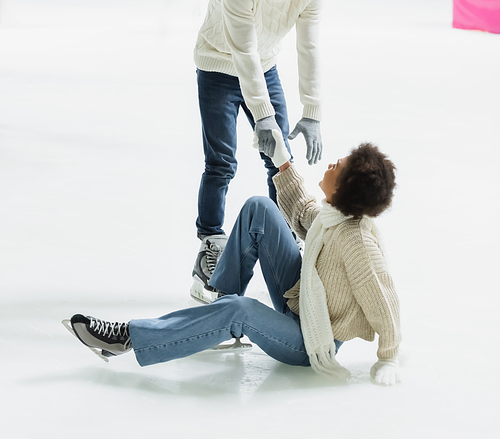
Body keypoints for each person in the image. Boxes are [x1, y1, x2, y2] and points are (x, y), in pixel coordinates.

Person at [63, 140, 402, 386]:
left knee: (241, 310)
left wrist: (389, 358)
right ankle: (219, 312)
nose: (331, 164)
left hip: (310, 341)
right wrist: (281, 158)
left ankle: (127, 339)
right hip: (303, 304)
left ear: (344, 189)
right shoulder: (333, 218)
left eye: (337, 167)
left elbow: (383, 300)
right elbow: (300, 208)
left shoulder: (358, 243)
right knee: (260, 208)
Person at [191, 0, 323, 304]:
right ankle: (212, 241)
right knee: (221, 163)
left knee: (280, 162)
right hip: (218, 69)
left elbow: (309, 46)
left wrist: (312, 111)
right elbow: (242, 51)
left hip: (264, 70)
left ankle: (281, 235)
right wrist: (262, 115)